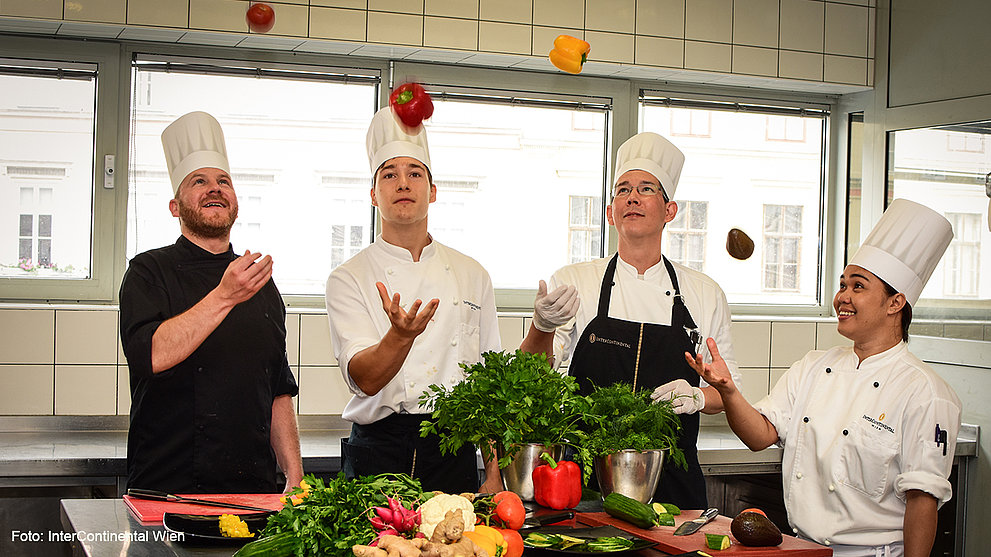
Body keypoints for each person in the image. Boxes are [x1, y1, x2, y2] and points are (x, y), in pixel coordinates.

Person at [689, 199, 961, 557]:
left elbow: (921, 504)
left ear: (896, 303)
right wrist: (728, 391)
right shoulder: (814, 366)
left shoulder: (925, 393)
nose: (842, 297)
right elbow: (760, 435)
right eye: (842, 285)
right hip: (802, 548)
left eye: (858, 287)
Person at [521, 132, 742, 509]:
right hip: (585, 479)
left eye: (646, 189)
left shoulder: (705, 293)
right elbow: (532, 377)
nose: (632, 198)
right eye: (622, 190)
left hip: (673, 480)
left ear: (670, 211)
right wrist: (540, 327)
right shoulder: (575, 281)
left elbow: (728, 391)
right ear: (610, 212)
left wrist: (695, 396)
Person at [326, 106, 514, 493]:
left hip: (452, 450)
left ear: (432, 191)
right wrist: (400, 336)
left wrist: (495, 473)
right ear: (374, 195)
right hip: (378, 449)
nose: (403, 183)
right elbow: (365, 379)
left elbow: (489, 383)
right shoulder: (348, 278)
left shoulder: (471, 274)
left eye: (415, 173)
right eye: (389, 174)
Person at [120, 111, 302, 494]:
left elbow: (277, 390)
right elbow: (151, 355)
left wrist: (295, 475)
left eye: (223, 181)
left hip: (254, 489)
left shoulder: (260, 283)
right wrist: (224, 296)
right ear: (175, 206)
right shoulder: (148, 271)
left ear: (235, 202)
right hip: (167, 484)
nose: (214, 188)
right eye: (198, 181)